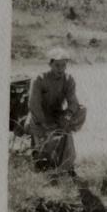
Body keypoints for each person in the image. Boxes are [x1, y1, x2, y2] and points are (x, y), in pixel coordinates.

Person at [26, 47, 87, 175]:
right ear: (50, 64)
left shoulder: (68, 79)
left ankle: (67, 166)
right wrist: (44, 123)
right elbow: (33, 104)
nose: (60, 69)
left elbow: (73, 101)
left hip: (57, 115)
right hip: (39, 117)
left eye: (63, 65)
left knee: (80, 111)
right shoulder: (39, 79)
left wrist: (69, 114)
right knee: (43, 142)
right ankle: (42, 159)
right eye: (57, 65)